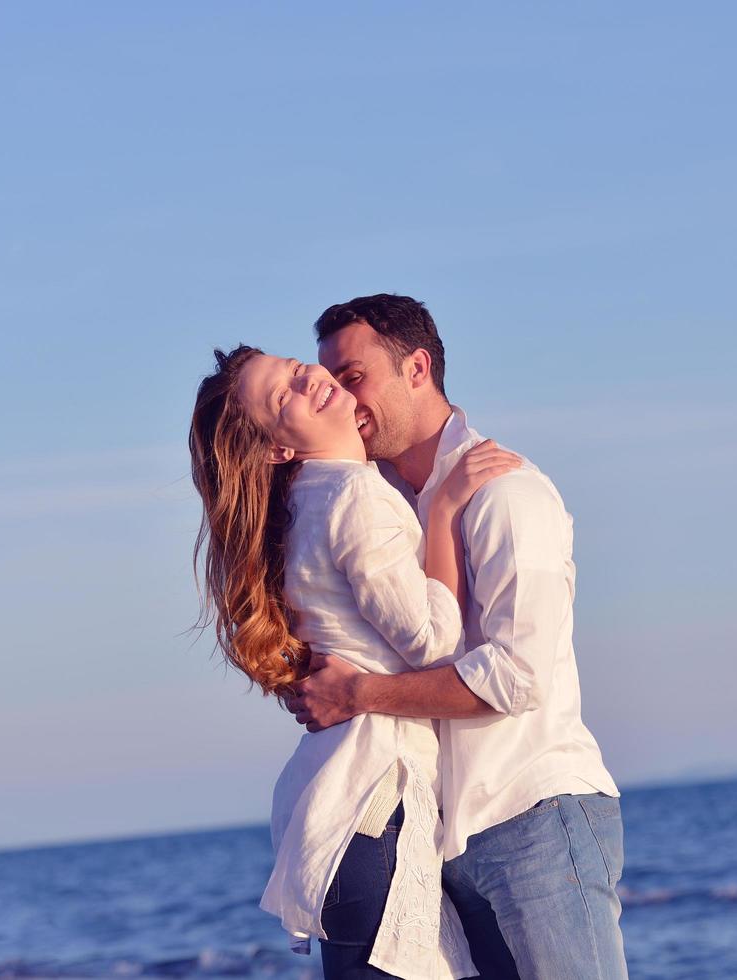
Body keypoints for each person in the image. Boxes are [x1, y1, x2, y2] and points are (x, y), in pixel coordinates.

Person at [286, 294, 629, 980]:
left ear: (416, 368)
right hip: (438, 839)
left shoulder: (505, 493)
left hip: (532, 815)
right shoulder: (374, 509)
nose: (343, 400)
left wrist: (360, 694)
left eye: (354, 377)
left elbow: (514, 678)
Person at [188, 344, 519, 979]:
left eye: (291, 368)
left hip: (343, 805)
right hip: (376, 805)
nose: (306, 378)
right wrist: (445, 511)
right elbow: (434, 642)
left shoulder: (308, 506)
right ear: (276, 449)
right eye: (283, 396)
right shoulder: (353, 499)